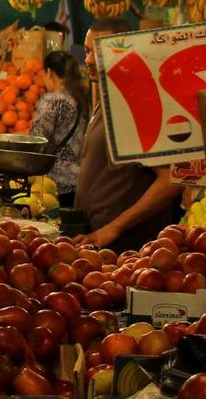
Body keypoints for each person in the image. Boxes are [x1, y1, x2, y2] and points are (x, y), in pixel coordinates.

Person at [71, 18, 182, 252]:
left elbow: (172, 178)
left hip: (127, 248)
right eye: (88, 51)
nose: (89, 60)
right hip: (99, 243)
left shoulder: (138, 105)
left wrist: (114, 227)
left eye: (99, 52)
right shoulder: (111, 97)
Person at [30, 50, 89, 207]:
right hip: (80, 179)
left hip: (57, 183)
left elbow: (37, 141)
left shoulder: (53, 101)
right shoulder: (80, 97)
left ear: (49, 72)